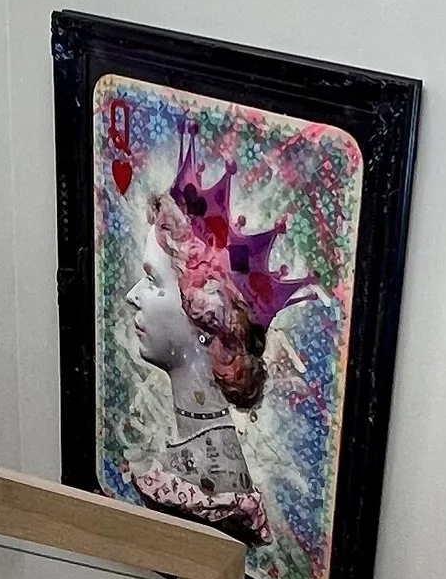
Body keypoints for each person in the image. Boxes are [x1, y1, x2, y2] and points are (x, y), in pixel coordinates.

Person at [122, 136, 313, 543]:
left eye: (153, 282)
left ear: (206, 319)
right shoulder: (190, 439)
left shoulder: (218, 480)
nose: (132, 295)